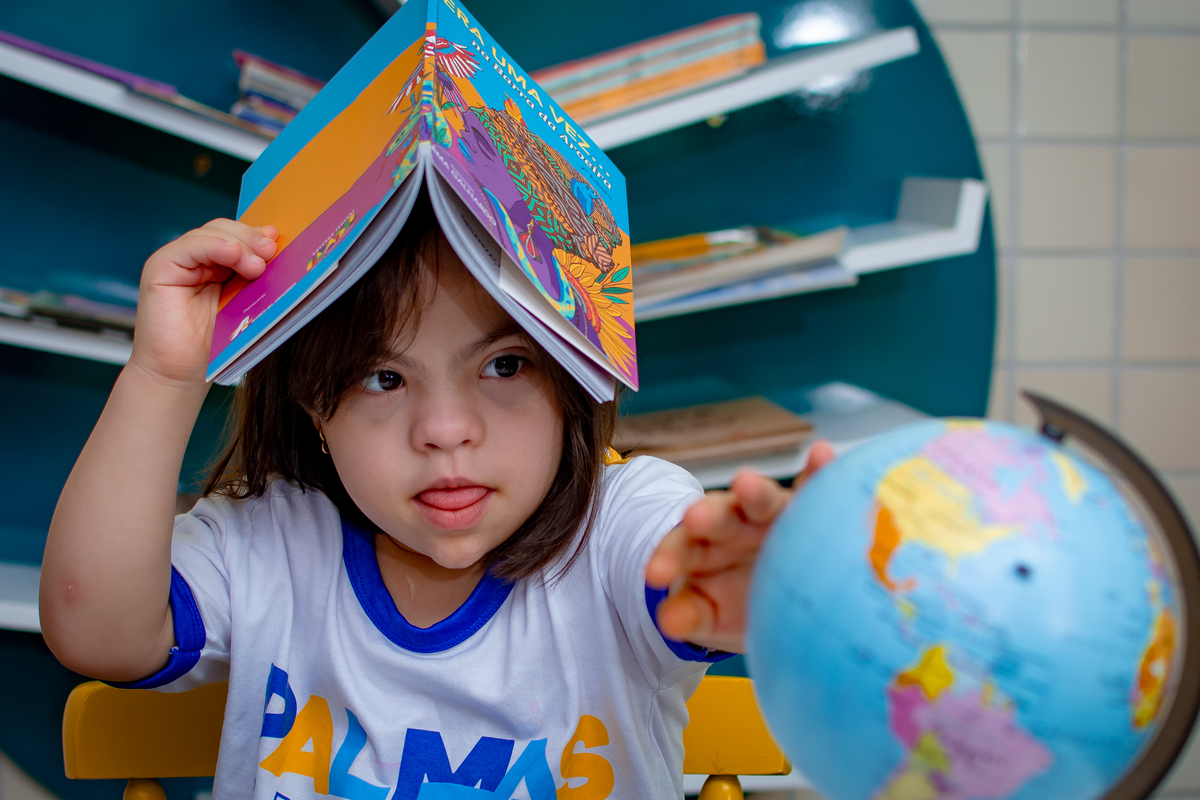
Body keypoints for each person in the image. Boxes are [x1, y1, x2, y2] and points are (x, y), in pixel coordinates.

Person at [40, 195, 833, 800]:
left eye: (504, 365)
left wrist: (752, 577)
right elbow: (93, 629)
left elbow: (692, 578)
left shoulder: (620, 522)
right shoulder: (268, 543)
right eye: (384, 378)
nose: (446, 431)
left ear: (573, 379)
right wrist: (163, 376)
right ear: (315, 407)